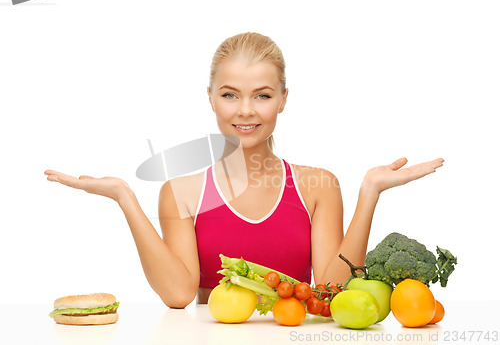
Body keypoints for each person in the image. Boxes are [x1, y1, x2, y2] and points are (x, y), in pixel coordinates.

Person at [44, 32, 444, 308]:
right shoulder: (181, 192)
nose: (246, 110)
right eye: (230, 94)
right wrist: (125, 198)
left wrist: (369, 192)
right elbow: (179, 295)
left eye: (263, 95)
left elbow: (331, 288)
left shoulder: (317, 186)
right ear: (211, 98)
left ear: (284, 100)